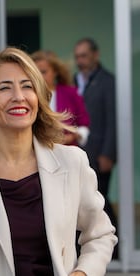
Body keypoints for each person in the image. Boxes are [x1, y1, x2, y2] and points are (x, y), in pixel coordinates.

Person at [0, 47, 117, 276]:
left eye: (27, 86)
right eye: (5, 88)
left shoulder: (72, 162)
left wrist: (82, 273)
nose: (19, 96)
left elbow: (100, 234)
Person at [73, 38, 118, 258]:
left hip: (99, 153)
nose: (80, 60)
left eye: (84, 55)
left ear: (95, 55)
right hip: (78, 153)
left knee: (101, 202)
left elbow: (113, 119)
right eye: (77, 56)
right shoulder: (73, 81)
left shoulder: (107, 81)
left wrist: (108, 153)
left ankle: (115, 250)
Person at [31, 50, 90, 146]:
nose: (39, 76)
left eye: (43, 72)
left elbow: (83, 125)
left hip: (67, 152)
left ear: (55, 72)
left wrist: (72, 137)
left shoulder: (70, 93)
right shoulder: (28, 95)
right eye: (35, 72)